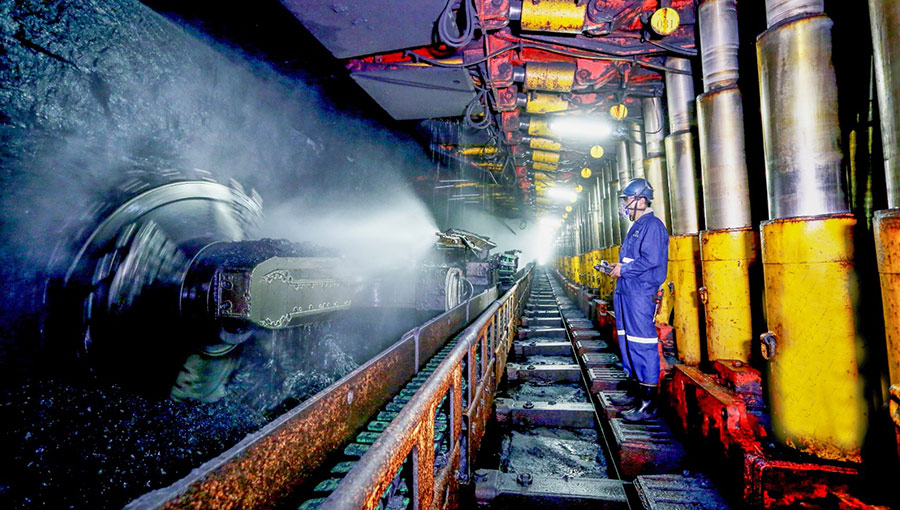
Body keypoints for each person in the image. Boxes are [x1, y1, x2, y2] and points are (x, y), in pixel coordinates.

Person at [607, 177, 668, 422]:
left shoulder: (652, 225)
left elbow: (651, 260)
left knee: (641, 342)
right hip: (627, 291)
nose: (625, 205)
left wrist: (624, 270)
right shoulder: (637, 226)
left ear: (642, 200)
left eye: (628, 200)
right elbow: (634, 260)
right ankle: (635, 393)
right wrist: (618, 268)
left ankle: (647, 403)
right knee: (627, 340)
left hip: (640, 293)